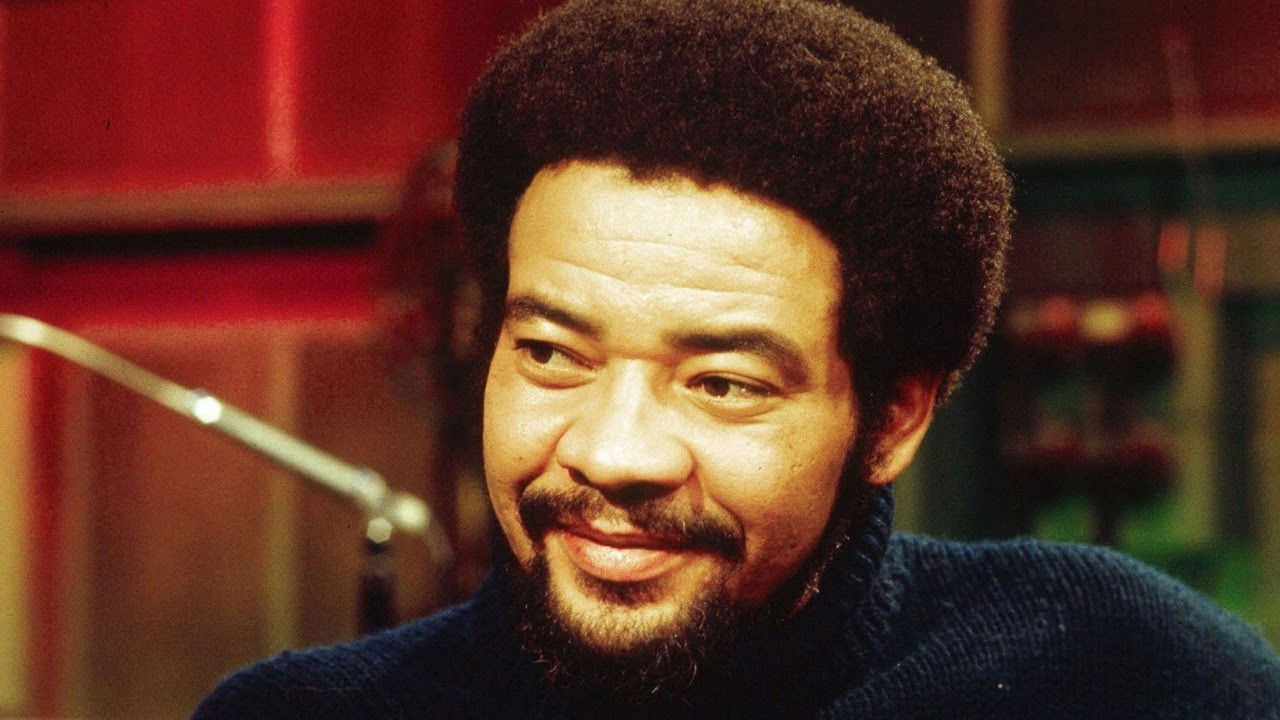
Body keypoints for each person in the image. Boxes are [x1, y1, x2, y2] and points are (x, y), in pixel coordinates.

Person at [193, 0, 1280, 717]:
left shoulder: (1114, 673)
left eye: (721, 383)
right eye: (552, 353)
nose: (613, 452)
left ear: (894, 418)